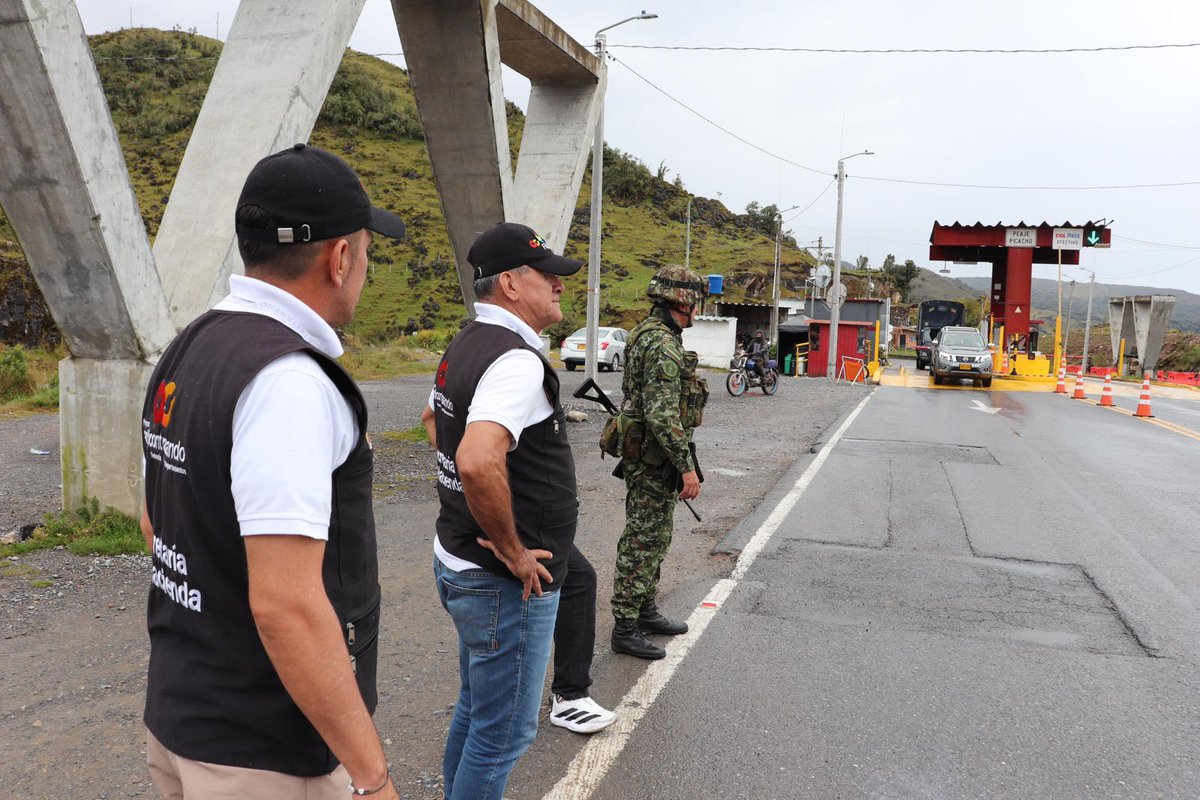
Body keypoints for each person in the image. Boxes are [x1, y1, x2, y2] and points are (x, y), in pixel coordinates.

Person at [139, 143, 405, 799]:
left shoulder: (190, 345)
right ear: (340, 257)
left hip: (185, 717)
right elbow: (286, 605)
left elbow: (157, 521)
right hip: (268, 754)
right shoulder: (288, 381)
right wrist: (373, 779)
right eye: (366, 250)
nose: (365, 267)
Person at [420, 222, 592, 799]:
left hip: (460, 559)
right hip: (504, 584)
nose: (560, 286)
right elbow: (474, 460)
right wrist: (514, 549)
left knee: (476, 711)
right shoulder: (515, 360)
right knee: (503, 735)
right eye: (549, 276)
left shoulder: (469, 341)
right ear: (513, 284)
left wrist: (473, 510)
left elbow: (433, 421)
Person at [609, 265, 708, 660]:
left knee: (656, 535)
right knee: (644, 539)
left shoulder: (645, 334)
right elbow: (663, 415)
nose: (698, 310)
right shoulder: (663, 345)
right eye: (695, 302)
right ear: (682, 302)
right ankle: (625, 626)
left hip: (650, 454)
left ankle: (645, 609)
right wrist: (686, 467)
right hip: (654, 457)